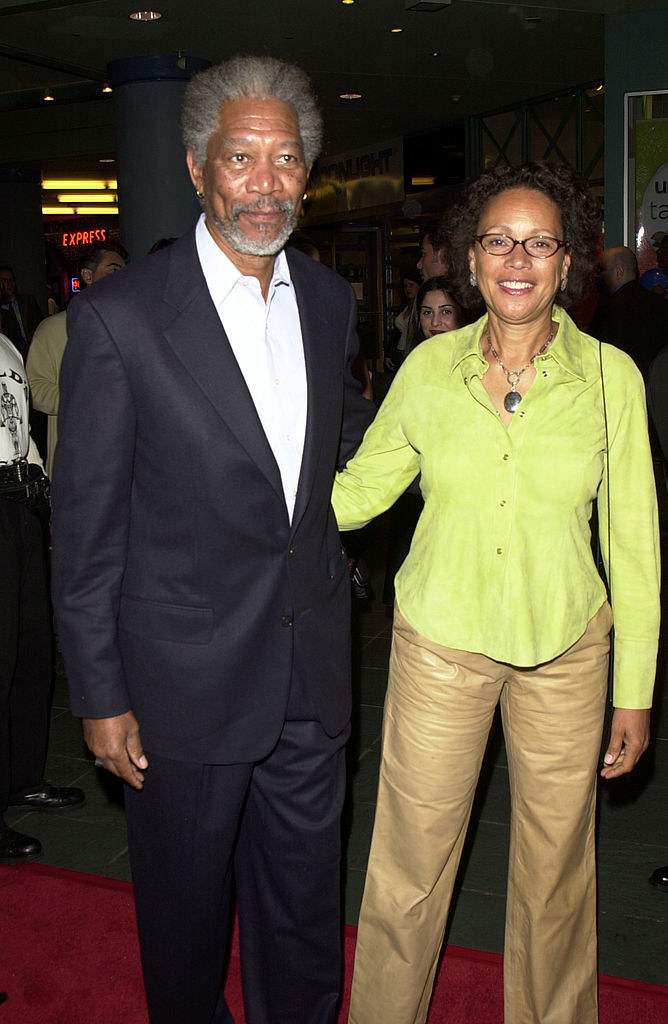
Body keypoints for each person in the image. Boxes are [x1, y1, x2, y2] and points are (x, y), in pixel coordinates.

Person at [50, 54, 373, 1024]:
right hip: (179, 689)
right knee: (186, 926)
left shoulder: (326, 301)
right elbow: (85, 530)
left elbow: (343, 441)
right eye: (242, 158)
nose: (265, 182)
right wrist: (100, 695)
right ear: (197, 169)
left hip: (308, 674)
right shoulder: (119, 319)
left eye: (285, 160)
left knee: (304, 918)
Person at [332, 162, 660, 1024]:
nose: (519, 258)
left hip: (568, 650)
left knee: (557, 874)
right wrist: (246, 509)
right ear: (470, 261)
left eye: (540, 242)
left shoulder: (611, 380)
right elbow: (361, 490)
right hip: (441, 643)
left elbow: (634, 546)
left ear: (567, 263)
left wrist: (635, 691)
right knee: (409, 867)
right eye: (499, 241)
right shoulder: (429, 371)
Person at [0, 317, 83, 865]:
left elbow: (18, 425)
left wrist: (40, 488)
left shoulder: (5, 340)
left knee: (30, 656)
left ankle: (21, 779)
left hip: (18, 503)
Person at [383, 276, 463, 607]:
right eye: (427, 313)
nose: (435, 322)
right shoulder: (415, 364)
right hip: (413, 490)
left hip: (455, 494)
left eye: (445, 312)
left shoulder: (477, 364)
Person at [26, 240, 127, 479]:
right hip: (76, 463)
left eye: (125, 271)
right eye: (114, 270)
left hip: (124, 461)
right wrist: (88, 397)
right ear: (87, 276)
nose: (123, 279)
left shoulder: (131, 327)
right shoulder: (52, 329)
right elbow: (35, 389)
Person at [588, 244, 668, 378]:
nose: (597, 276)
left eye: (601, 269)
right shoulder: (660, 304)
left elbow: (594, 357)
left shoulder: (609, 310)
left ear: (619, 271)